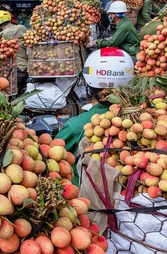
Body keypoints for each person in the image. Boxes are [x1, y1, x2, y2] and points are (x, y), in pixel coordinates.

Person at [56, 47, 134, 185]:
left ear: (88, 83)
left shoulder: (76, 126)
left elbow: (53, 156)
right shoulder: (137, 118)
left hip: (84, 196)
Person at [0, 9, 29, 94]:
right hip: (26, 68)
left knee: (13, 94)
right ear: (9, 19)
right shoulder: (22, 28)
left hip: (14, 71)